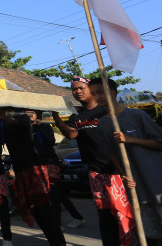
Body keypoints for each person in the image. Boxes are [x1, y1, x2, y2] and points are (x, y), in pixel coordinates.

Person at [53, 76, 133, 246]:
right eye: (74, 89)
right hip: (96, 173)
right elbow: (71, 134)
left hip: (118, 171)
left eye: (81, 88)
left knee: (125, 215)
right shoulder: (77, 117)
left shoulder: (106, 111)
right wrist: (57, 118)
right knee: (105, 216)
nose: (77, 92)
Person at [91, 77, 162, 245]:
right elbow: (112, 154)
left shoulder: (137, 115)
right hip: (136, 187)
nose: (98, 97)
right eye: (94, 94)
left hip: (157, 180)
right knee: (151, 234)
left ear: (113, 92)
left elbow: (160, 143)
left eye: (100, 92)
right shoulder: (102, 124)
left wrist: (130, 139)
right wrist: (123, 175)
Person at [0, 110, 65, 245]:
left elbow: (19, 122)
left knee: (44, 207)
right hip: (20, 171)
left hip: (34, 169)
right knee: (35, 209)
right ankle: (55, 241)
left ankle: (59, 242)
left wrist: (6, 118)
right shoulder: (2, 123)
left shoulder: (22, 118)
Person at [26, 109, 84, 229]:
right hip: (37, 165)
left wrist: (40, 126)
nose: (30, 114)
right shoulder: (25, 129)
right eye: (27, 112)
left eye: (32, 112)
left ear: (37, 114)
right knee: (59, 193)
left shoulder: (44, 126)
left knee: (53, 194)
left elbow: (51, 141)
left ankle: (57, 224)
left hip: (50, 163)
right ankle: (78, 217)